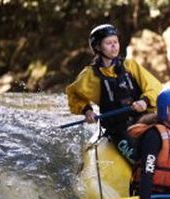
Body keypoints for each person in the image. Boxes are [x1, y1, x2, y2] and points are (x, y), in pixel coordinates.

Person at [65, 24, 162, 163]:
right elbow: (73, 94)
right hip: (118, 129)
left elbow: (154, 87)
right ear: (98, 47)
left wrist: (145, 101)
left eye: (115, 42)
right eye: (108, 43)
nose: (114, 46)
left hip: (143, 118)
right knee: (138, 159)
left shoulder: (130, 66)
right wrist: (87, 111)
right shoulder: (90, 75)